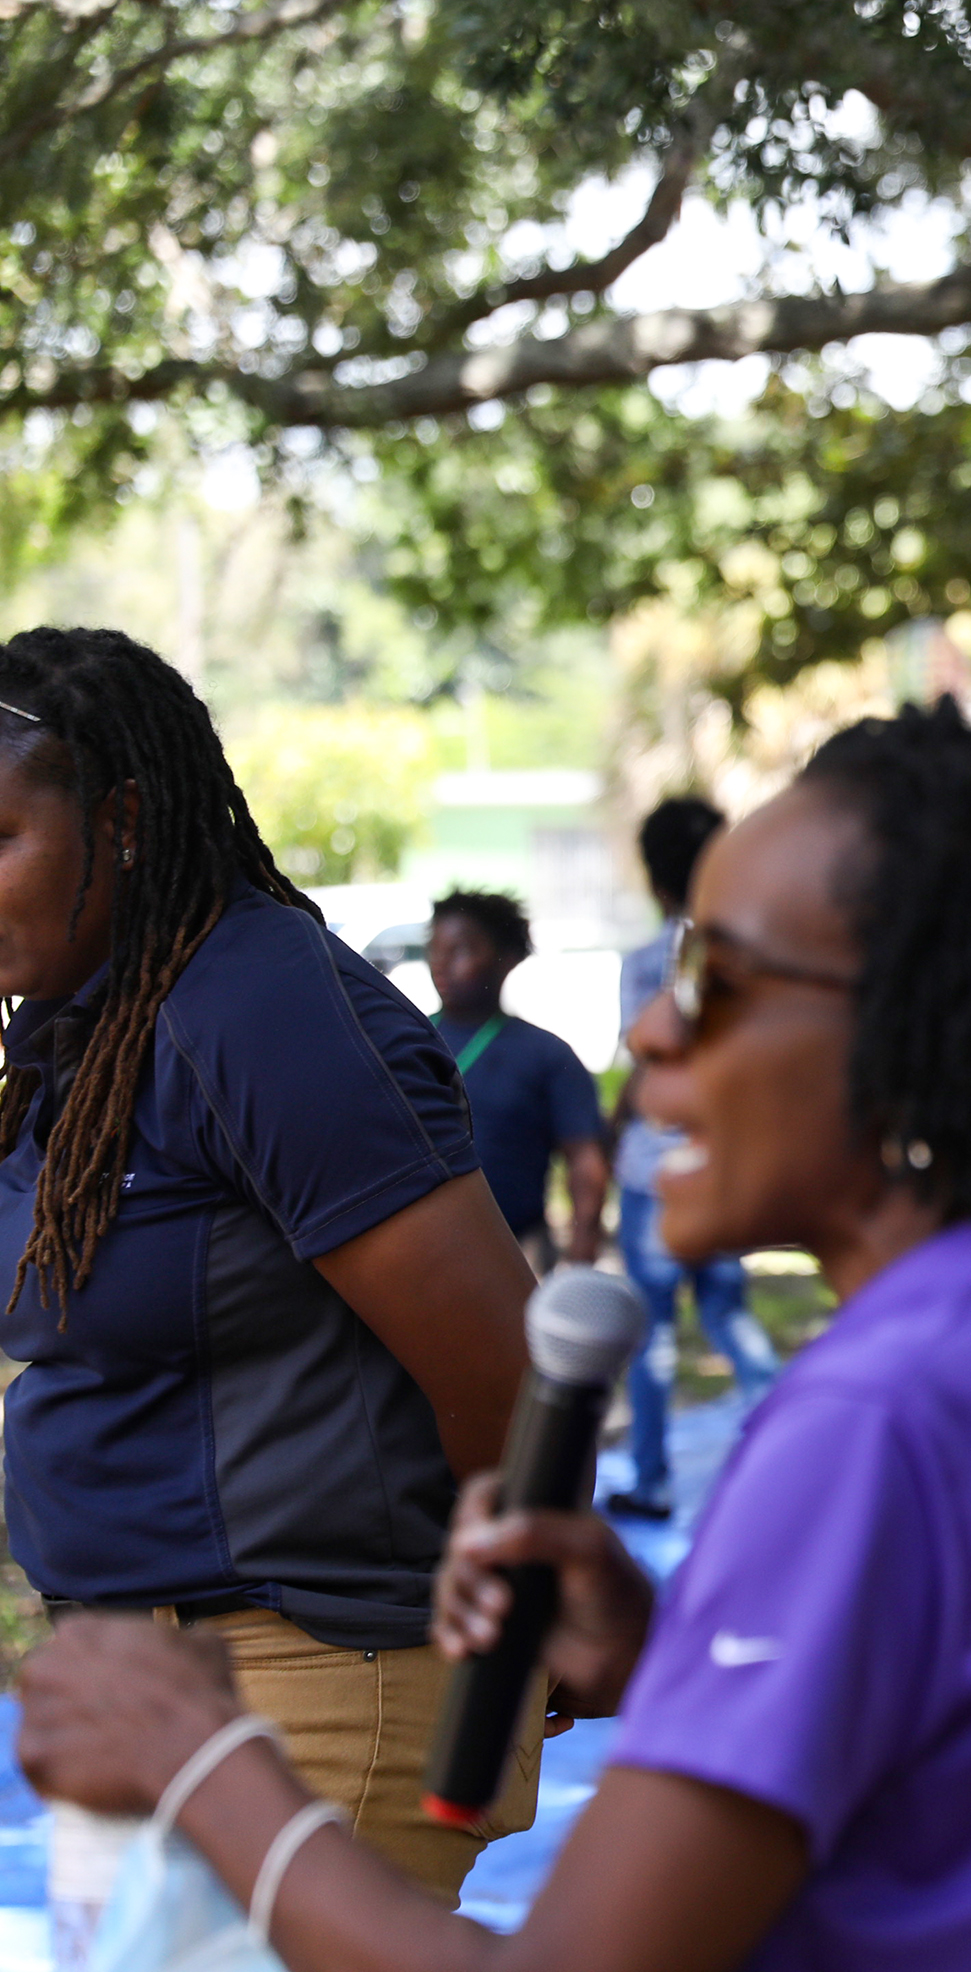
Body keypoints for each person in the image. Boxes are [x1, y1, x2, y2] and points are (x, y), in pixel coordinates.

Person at [19, 701, 971, 1972]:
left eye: (716, 980)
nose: (652, 1033)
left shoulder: (882, 1414)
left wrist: (208, 1762)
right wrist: (673, 1655)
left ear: (935, 1026)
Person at [0, 627, 540, 1904]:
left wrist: (512, 1632)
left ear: (125, 820)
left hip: (309, 1687)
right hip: (151, 1695)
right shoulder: (76, 1028)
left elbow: (505, 1377)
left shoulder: (256, 1006)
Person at [603, 798, 775, 1522]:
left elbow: (645, 1077)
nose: (655, 1039)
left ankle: (651, 1479)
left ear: (655, 880)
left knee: (654, 1341)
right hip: (720, 1161)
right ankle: (778, 1447)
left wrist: (615, 1135)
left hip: (655, 1177)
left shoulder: (649, 963)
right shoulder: (752, 960)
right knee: (730, 1317)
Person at [425, 890, 607, 1276]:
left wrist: (583, 1243)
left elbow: (584, 1157)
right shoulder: (405, 1041)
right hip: (421, 1251)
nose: (441, 963)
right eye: (435, 948)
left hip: (518, 1250)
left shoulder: (546, 1055)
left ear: (506, 960)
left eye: (460, 950)